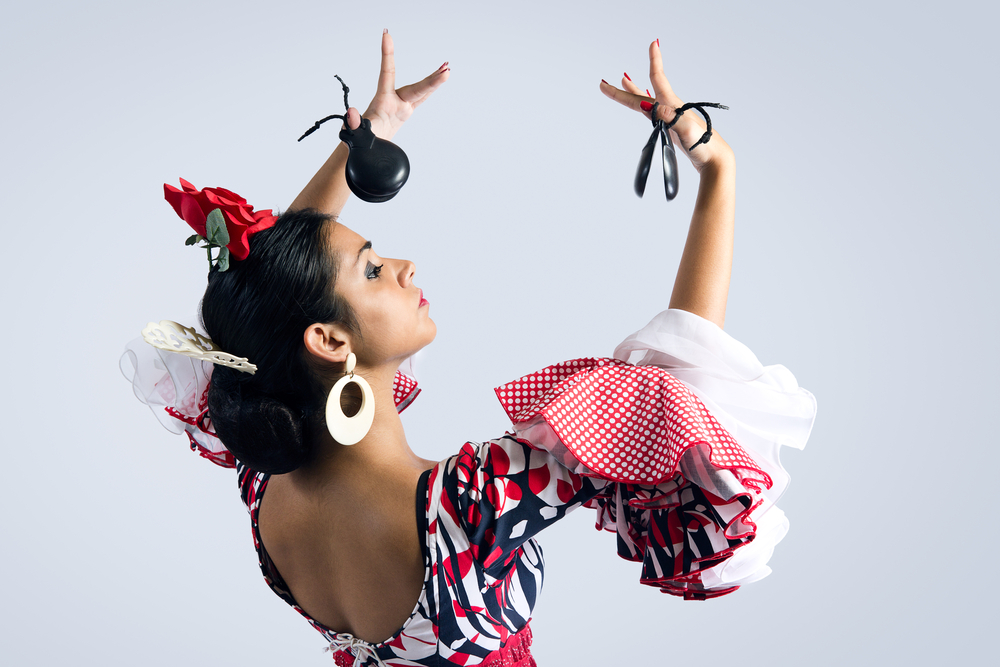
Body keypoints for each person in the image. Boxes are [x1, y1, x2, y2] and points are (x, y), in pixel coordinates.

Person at [122, 31, 815, 667]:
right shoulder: (471, 504)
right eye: (370, 268)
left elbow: (261, 304)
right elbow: (673, 388)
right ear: (329, 339)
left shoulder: (263, 475)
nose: (404, 265)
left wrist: (366, 141)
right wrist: (718, 171)